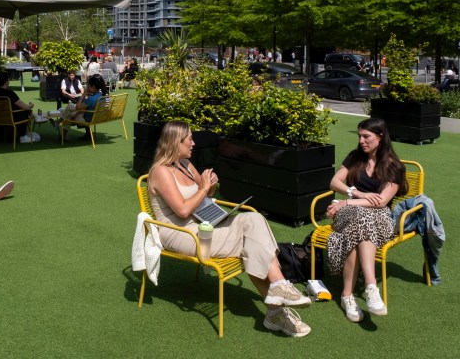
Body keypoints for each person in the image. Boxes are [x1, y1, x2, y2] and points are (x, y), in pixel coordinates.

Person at [147, 121, 312, 338]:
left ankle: (278, 290)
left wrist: (210, 185)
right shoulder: (161, 171)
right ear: (176, 142)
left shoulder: (185, 165)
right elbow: (183, 210)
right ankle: (276, 309)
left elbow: (204, 197)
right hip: (181, 233)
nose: (194, 143)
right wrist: (205, 187)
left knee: (253, 218)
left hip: (202, 223)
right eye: (190, 139)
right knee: (250, 242)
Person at [327, 117, 407, 323]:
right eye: (360, 136)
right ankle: (371, 288)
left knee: (360, 226)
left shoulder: (394, 166)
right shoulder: (355, 157)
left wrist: (344, 203)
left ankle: (347, 295)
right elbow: (334, 182)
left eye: (366, 136)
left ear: (380, 137)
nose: (362, 141)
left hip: (378, 217)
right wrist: (356, 193)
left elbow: (381, 202)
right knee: (360, 221)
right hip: (350, 213)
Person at [0, 71, 39, 143]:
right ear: (6, 81)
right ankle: (23, 136)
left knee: (19, 107)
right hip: (9, 118)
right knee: (24, 110)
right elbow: (24, 107)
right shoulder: (9, 93)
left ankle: (35, 116)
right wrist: (31, 105)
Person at [61, 74, 107, 140]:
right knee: (70, 111)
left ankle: (63, 136)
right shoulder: (101, 95)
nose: (87, 87)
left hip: (88, 120)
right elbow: (87, 108)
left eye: (88, 85)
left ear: (93, 86)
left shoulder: (91, 98)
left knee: (69, 114)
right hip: (97, 117)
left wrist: (82, 96)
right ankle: (65, 135)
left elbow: (78, 107)